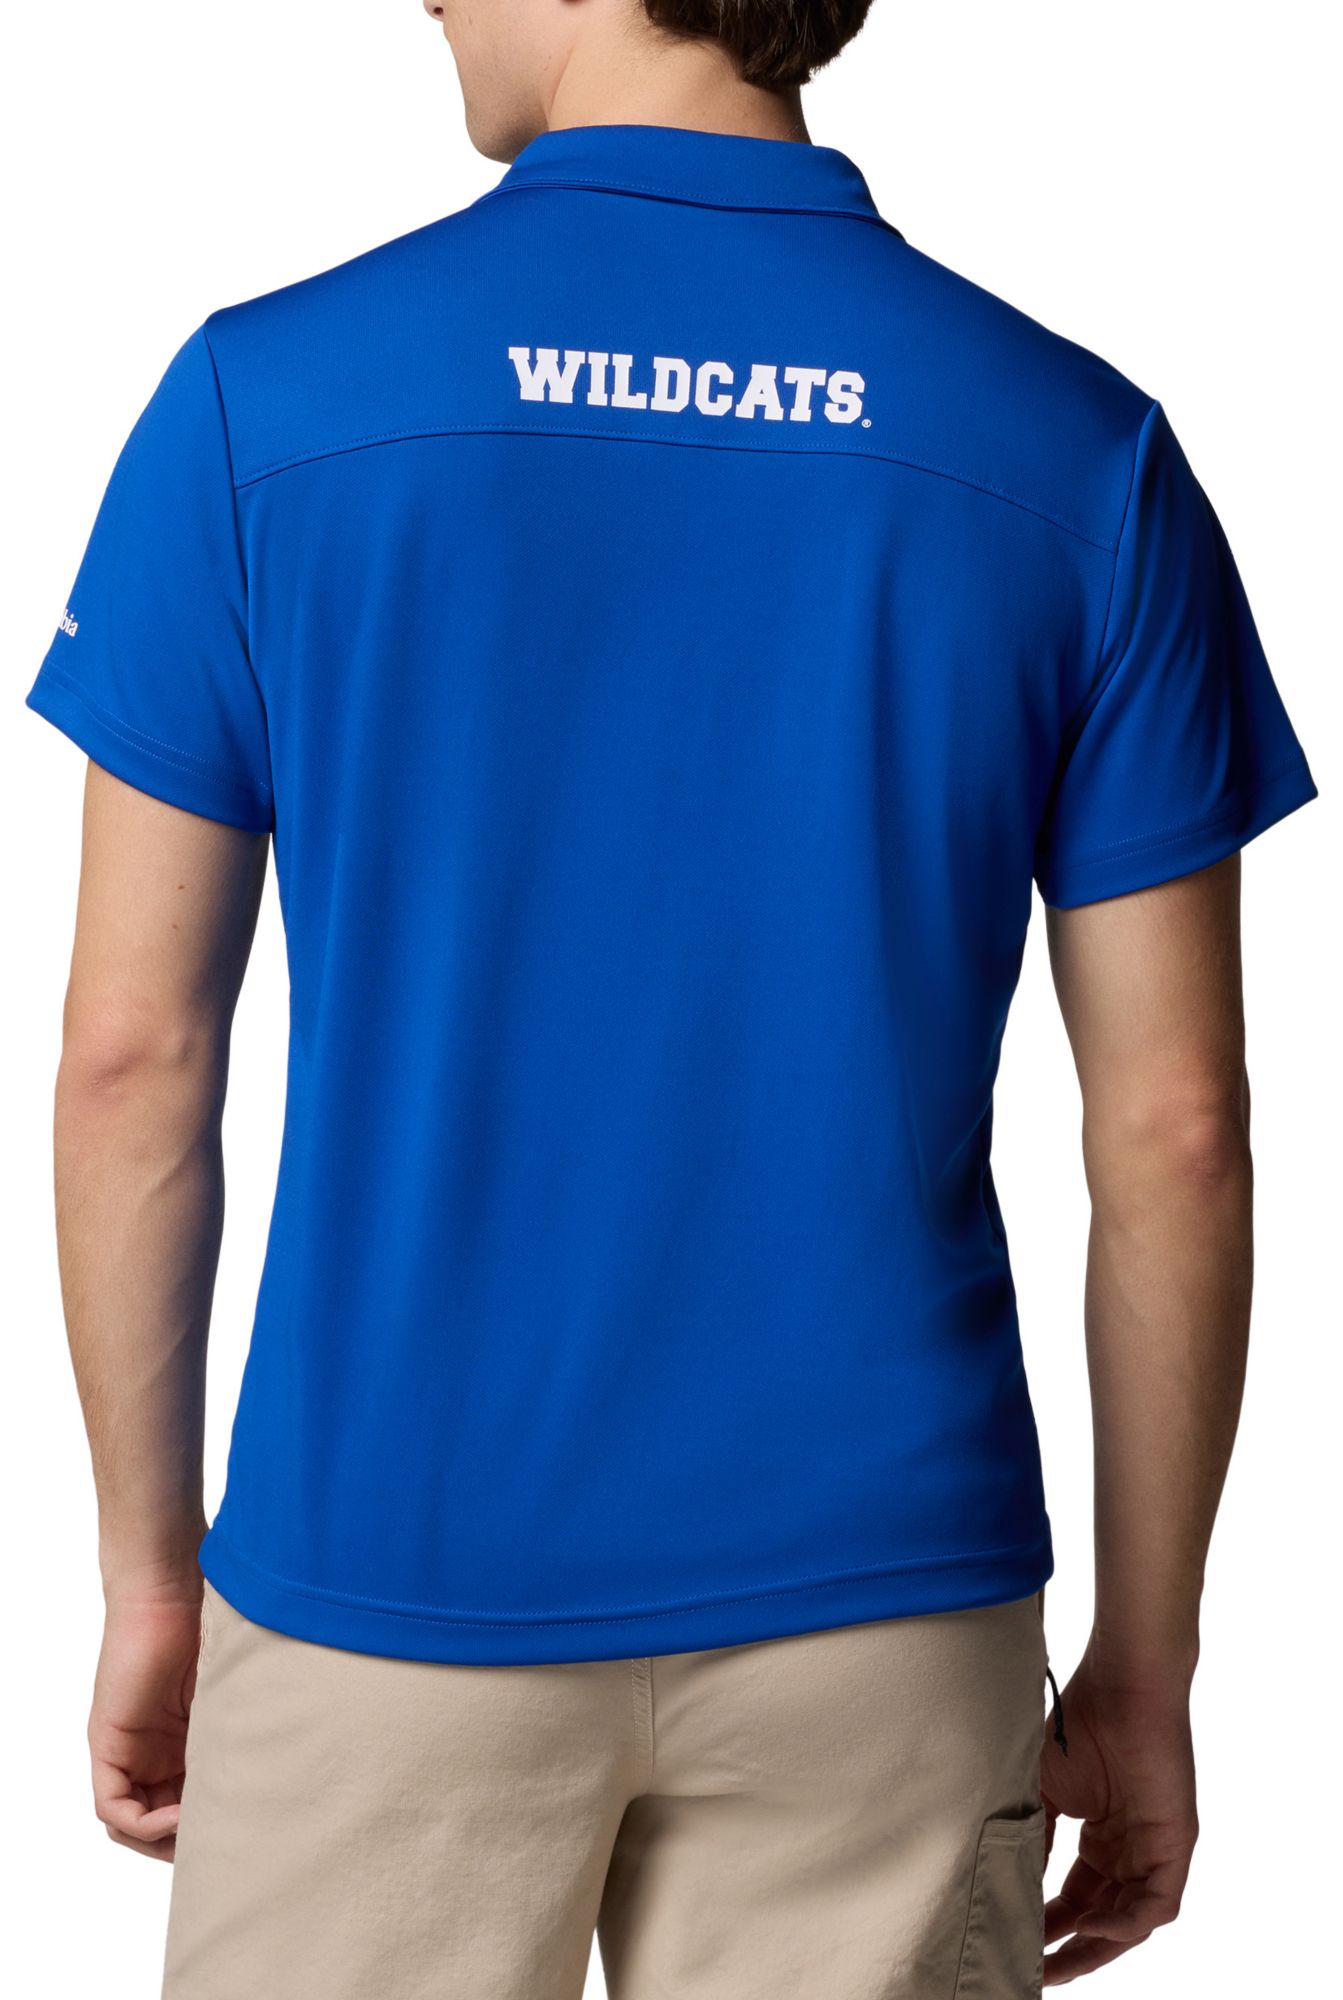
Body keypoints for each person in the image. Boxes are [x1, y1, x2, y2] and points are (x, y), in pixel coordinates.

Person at [27, 0, 1316, 1993]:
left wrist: (146, 1576)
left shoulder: (264, 404)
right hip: (885, 1606)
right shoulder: (1076, 448)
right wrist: (1147, 1662)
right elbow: (1177, 1129)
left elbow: (132, 1060)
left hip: (395, 1569)